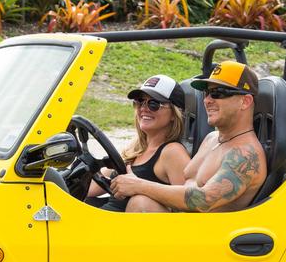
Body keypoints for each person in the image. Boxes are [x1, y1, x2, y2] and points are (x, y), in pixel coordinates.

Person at [110, 60, 268, 213]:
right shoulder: (212, 138)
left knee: (141, 203)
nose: (207, 100)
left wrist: (139, 185)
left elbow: (203, 200)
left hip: (207, 236)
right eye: (207, 93)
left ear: (245, 101)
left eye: (217, 93)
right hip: (184, 227)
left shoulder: (246, 154)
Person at [89, 74, 192, 212]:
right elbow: (92, 188)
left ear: (174, 113)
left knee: (140, 202)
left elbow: (189, 204)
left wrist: (140, 187)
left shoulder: (172, 152)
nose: (144, 108)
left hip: (131, 229)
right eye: (140, 101)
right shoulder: (135, 148)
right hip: (106, 218)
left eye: (154, 104)